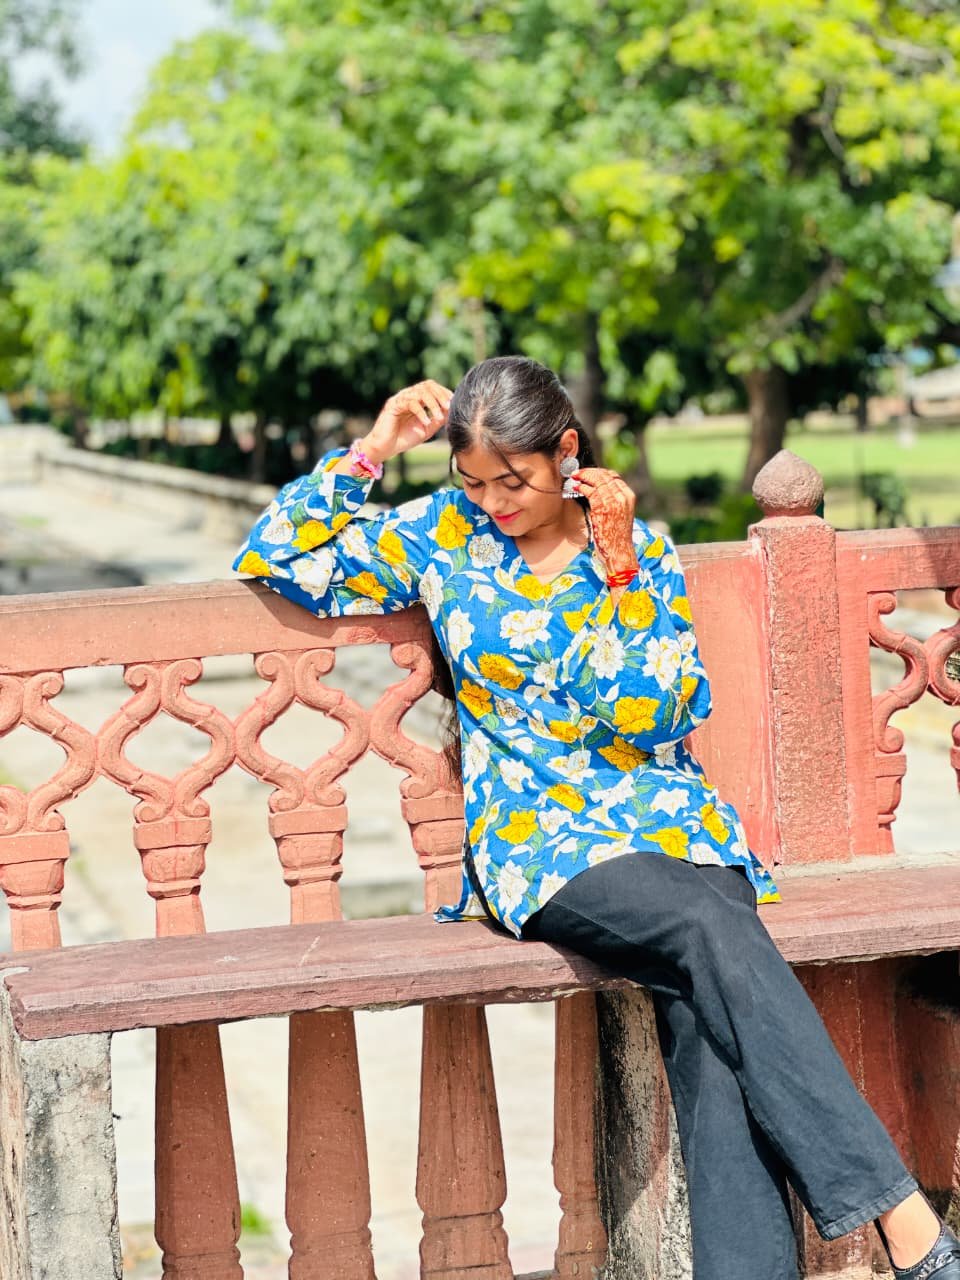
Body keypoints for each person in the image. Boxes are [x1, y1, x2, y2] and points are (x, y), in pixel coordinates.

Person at [234, 356, 960, 1280]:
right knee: (709, 929)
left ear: (566, 451)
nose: (494, 501)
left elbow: (658, 713)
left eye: (514, 480)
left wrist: (617, 574)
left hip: (670, 825)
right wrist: (373, 450)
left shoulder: (638, 549)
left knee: (706, 1003)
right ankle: (900, 1216)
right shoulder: (443, 536)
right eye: (474, 480)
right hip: (540, 842)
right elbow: (277, 555)